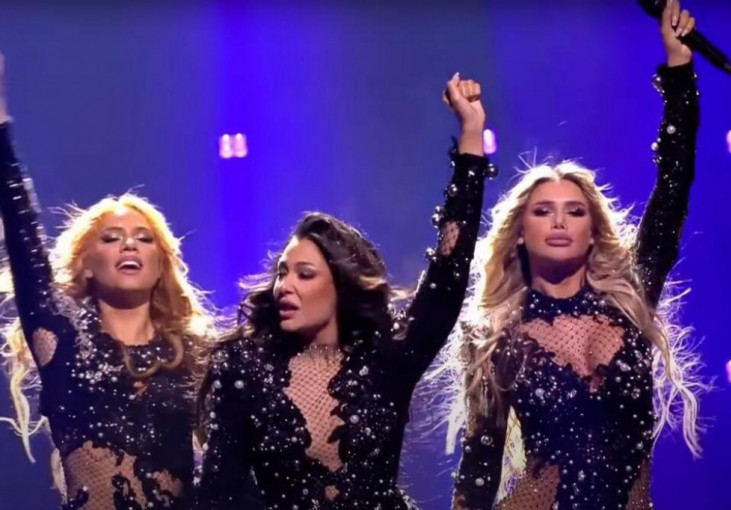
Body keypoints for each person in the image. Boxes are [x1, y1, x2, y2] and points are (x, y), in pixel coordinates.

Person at [195, 74, 494, 509]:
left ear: (341, 286)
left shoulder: (388, 358)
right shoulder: (244, 368)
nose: (285, 286)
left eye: (305, 274)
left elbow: (449, 272)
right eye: (282, 273)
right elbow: (217, 493)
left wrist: (471, 132)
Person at [449, 1, 704, 508]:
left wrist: (679, 68)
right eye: (544, 211)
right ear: (519, 234)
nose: (560, 222)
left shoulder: (629, 299)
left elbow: (673, 191)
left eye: (575, 211)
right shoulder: (497, 335)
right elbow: (479, 467)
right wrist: (470, 136)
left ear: (593, 232)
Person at [0, 52, 215, 509]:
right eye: (112, 238)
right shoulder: (63, 339)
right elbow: (23, 237)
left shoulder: (195, 353)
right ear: (86, 265)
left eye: (144, 238)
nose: (130, 245)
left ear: (162, 265)